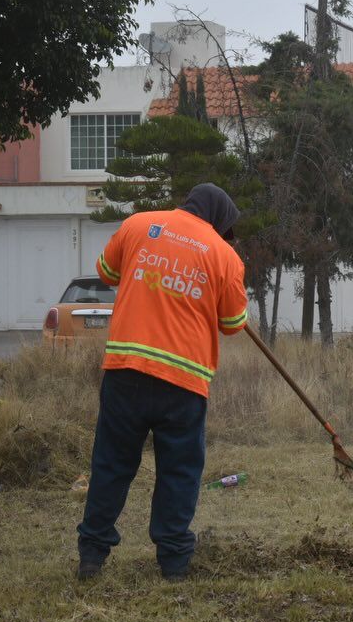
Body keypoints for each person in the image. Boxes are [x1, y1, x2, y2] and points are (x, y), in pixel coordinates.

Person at [76, 183, 248, 582]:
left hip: (126, 370)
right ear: (220, 221)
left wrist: (156, 272)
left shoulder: (139, 225)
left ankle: (92, 556)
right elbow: (233, 324)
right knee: (179, 472)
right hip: (183, 381)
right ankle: (173, 563)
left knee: (111, 464)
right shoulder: (224, 255)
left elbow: (106, 272)